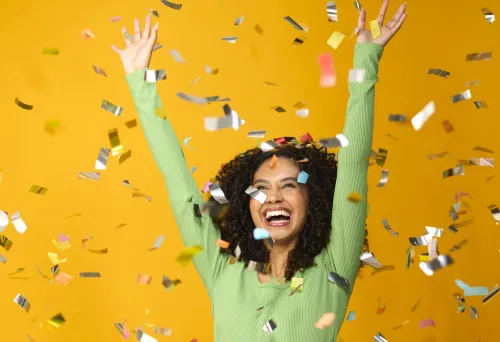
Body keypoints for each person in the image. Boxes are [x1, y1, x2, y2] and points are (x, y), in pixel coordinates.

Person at [112, 1, 406, 340]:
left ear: (315, 199)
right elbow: (178, 182)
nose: (274, 197)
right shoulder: (223, 271)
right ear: (245, 204)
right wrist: (140, 81)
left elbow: (353, 162)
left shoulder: (333, 268)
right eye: (261, 188)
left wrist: (366, 58)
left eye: (289, 185)